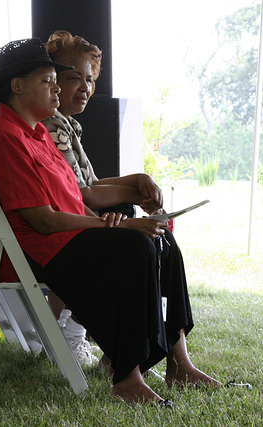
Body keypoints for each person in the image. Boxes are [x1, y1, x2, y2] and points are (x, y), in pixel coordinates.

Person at [0, 37, 221, 405]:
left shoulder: (38, 133)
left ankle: (178, 364)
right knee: (136, 245)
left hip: (57, 240)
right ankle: (126, 377)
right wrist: (117, 227)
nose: (57, 87)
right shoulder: (7, 137)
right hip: (31, 249)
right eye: (47, 80)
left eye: (57, 78)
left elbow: (79, 196)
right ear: (17, 86)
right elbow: (41, 220)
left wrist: (132, 197)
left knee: (162, 243)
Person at [41, 30, 171, 368]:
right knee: (143, 239)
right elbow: (86, 195)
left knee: (142, 226)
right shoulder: (53, 124)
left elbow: (92, 182)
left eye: (90, 79)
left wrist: (138, 182)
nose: (85, 87)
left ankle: (92, 344)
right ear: (52, 81)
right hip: (63, 233)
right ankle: (90, 344)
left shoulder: (67, 124)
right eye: (74, 78)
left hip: (69, 227)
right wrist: (137, 192)